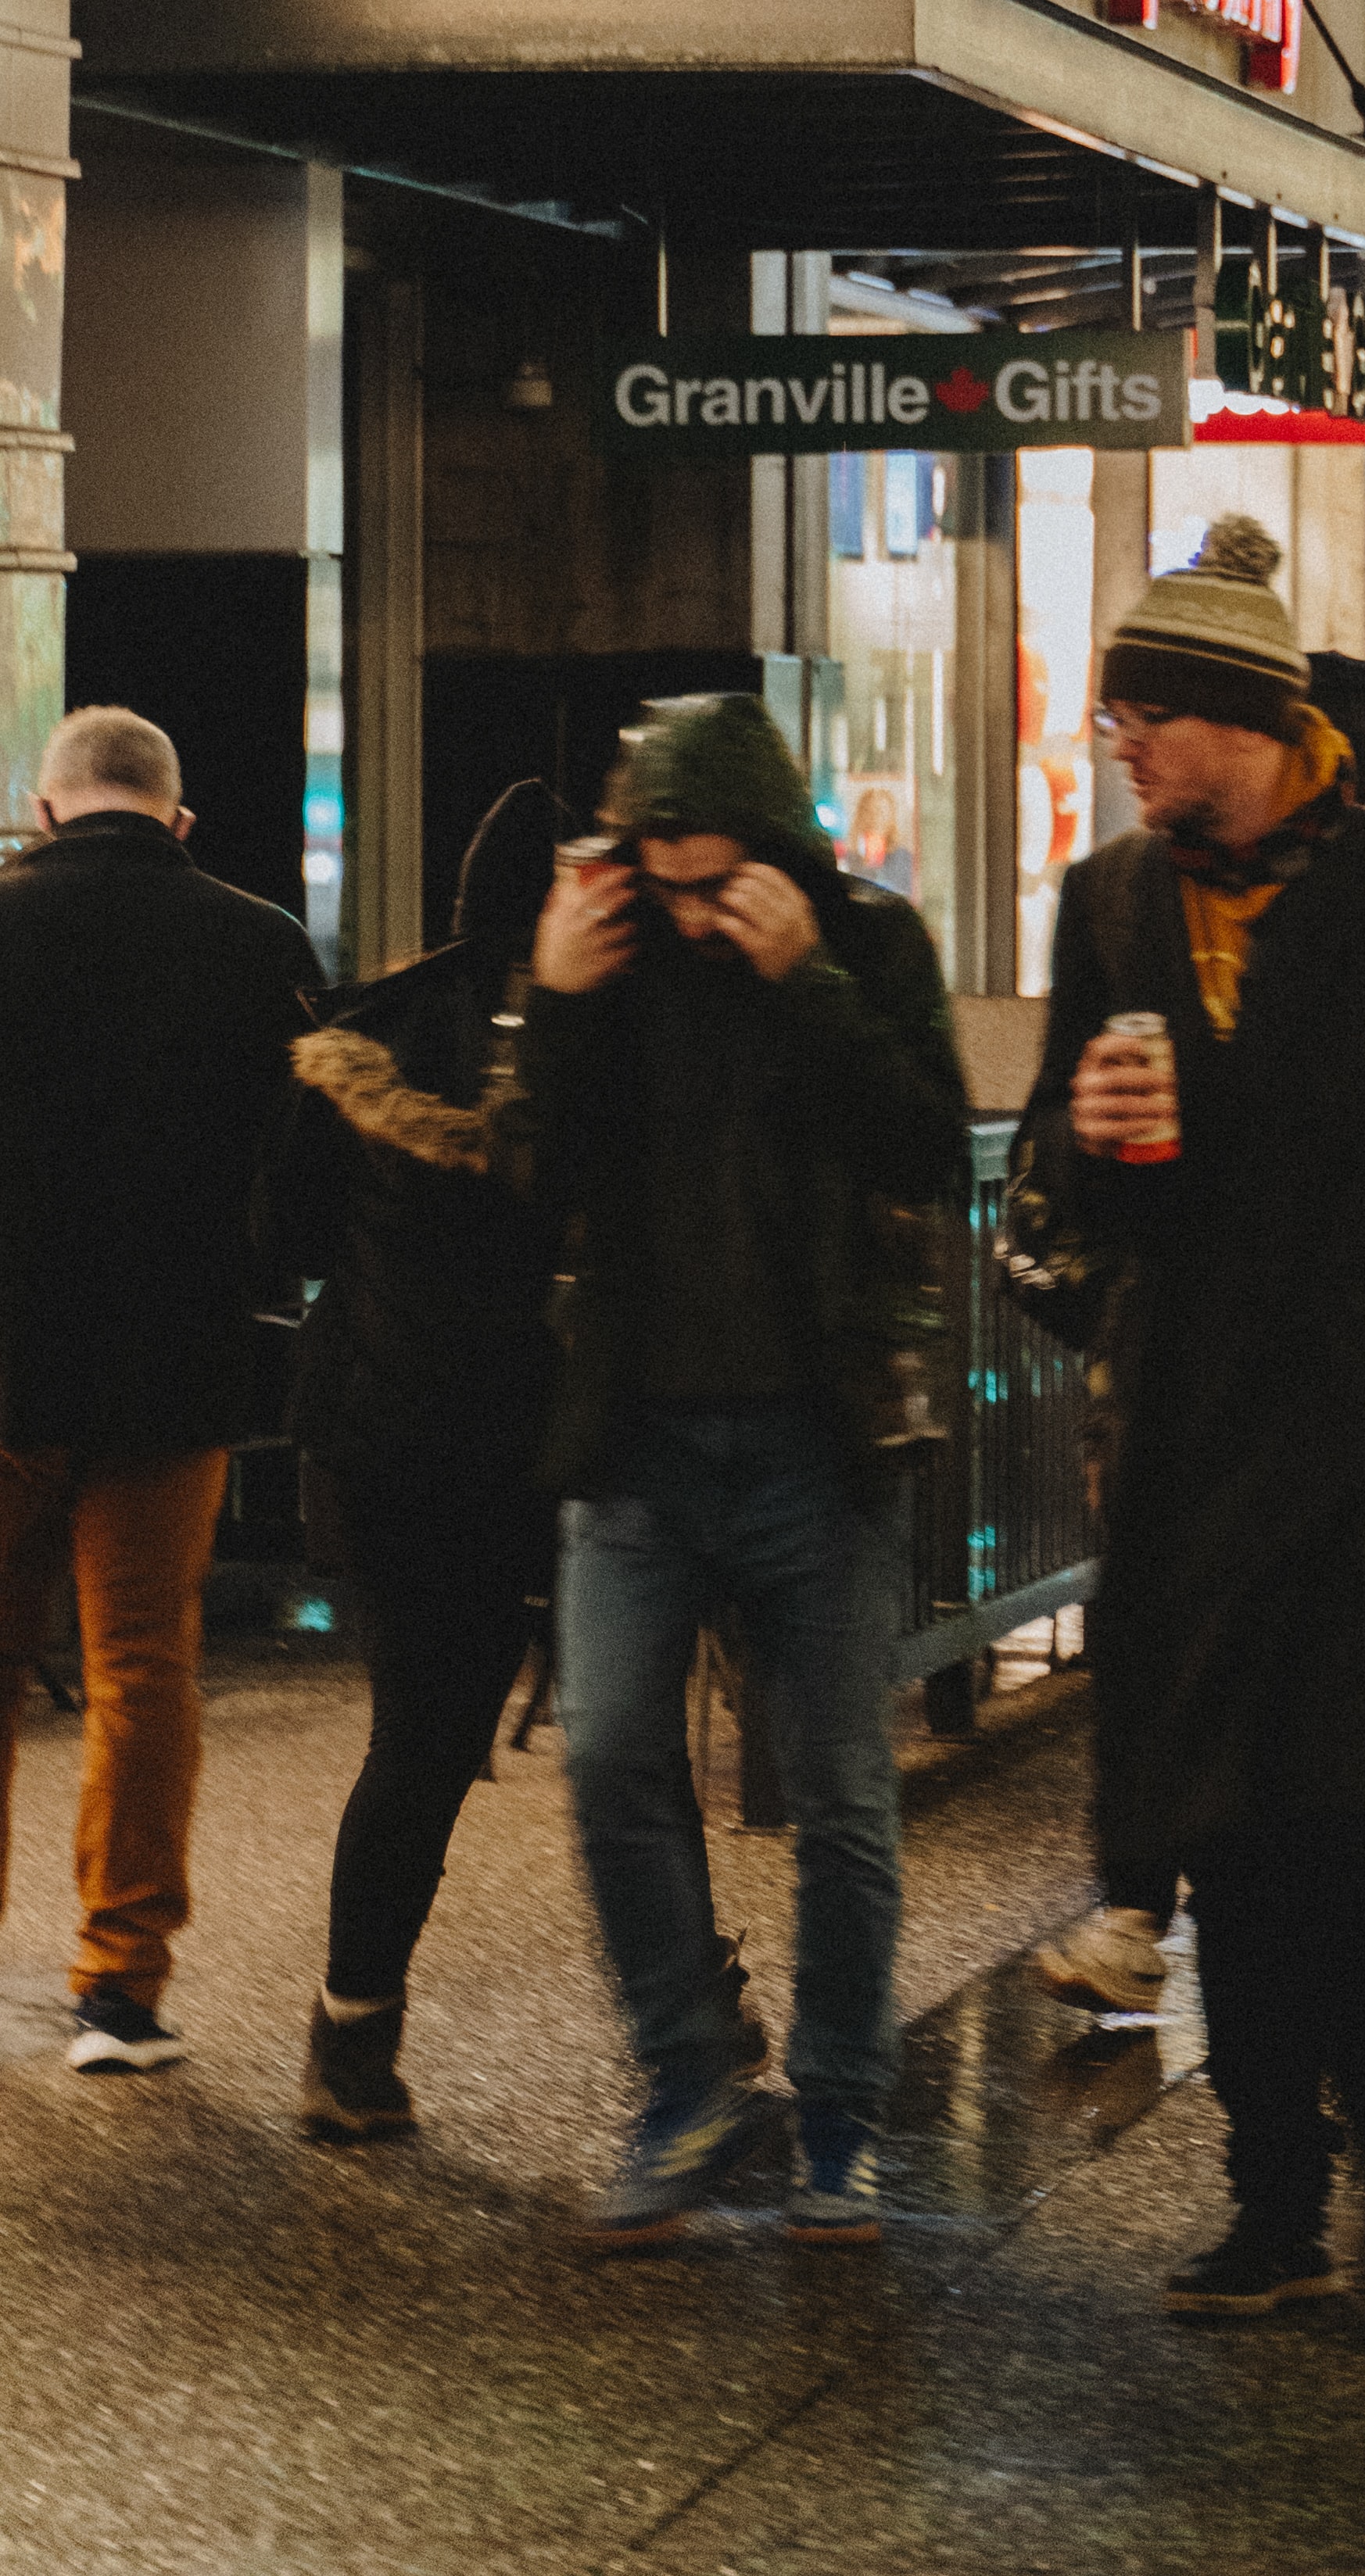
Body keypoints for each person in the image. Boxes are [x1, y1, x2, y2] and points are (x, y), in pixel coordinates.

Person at [1022, 521, 1365, 2319]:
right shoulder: (1106, 905)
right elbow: (1051, 1198)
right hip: (1180, 1442)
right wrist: (1086, 1152)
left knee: (1323, 1813)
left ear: (1243, 723)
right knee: (1226, 1826)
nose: (1122, 746)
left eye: (1145, 718)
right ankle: (1274, 2192)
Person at [524, 692, 967, 2245]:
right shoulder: (609, 954)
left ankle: (841, 2116)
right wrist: (558, 999)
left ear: (773, 852)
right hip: (636, 1438)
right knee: (607, 1757)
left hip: (813, 1437)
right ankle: (688, 2080)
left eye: (719, 882)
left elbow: (928, 1145)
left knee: (844, 1794)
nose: (693, 911)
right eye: (667, 882)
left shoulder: (867, 944)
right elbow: (530, 1178)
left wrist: (807, 982)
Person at [0, 707, 322, 2073]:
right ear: (177, 820)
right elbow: (304, 1185)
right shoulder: (263, 944)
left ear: (44, 805)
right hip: (174, 1368)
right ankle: (119, 1991)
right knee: (145, 1670)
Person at [275, 782, 565, 2142]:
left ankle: (354, 2038)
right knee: (622, 1746)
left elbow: (287, 1237)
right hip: (541, 1443)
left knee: (421, 1737)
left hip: (382, 1438)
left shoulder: (362, 1035)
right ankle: (706, 2032)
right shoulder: (594, 1045)